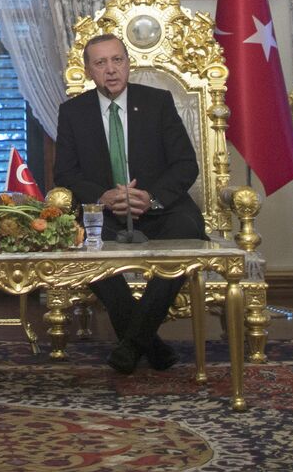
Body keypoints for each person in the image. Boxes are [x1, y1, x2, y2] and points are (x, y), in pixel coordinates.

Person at [53, 33, 204, 374]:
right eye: (101, 63)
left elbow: (185, 164)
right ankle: (149, 343)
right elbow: (65, 173)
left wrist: (151, 197)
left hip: (159, 208)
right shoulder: (73, 112)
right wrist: (102, 197)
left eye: (117, 60)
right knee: (82, 242)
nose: (111, 70)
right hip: (106, 213)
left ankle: (133, 343)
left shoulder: (158, 102)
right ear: (89, 71)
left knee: (187, 230)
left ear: (128, 64)